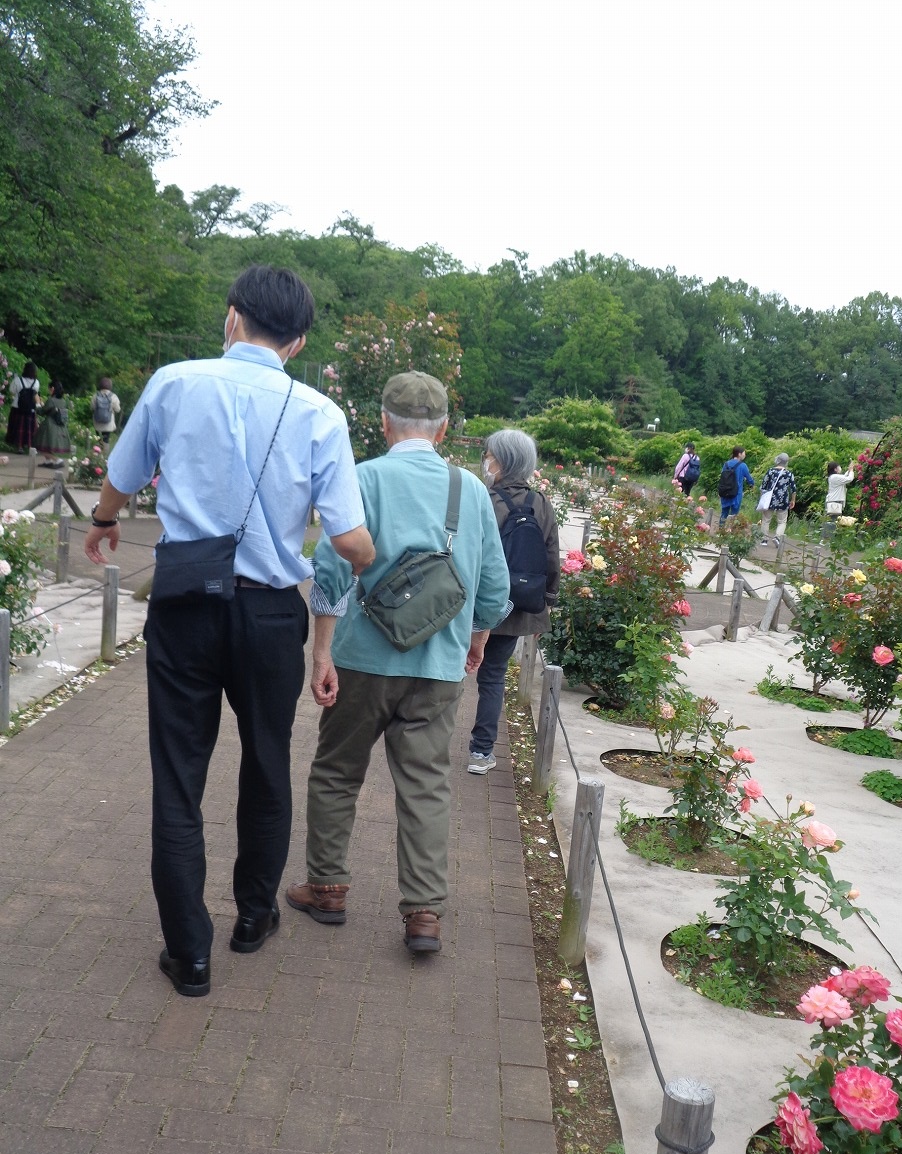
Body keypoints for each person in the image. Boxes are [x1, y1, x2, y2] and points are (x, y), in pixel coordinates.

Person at [83, 264, 375, 998]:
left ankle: (189, 954)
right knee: (267, 763)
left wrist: (104, 520)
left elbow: (123, 473)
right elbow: (348, 539)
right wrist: (371, 555)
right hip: (271, 612)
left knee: (179, 775)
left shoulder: (175, 382)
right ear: (298, 342)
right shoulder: (320, 413)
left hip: (185, 601)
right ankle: (253, 915)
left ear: (232, 316)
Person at [286, 371, 511, 956]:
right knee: (426, 786)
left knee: (337, 772)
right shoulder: (471, 491)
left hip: (361, 661)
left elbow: (332, 569)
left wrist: (321, 651)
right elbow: (493, 585)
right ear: (443, 429)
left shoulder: (362, 479)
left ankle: (328, 887)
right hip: (438, 665)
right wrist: (477, 639)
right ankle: (424, 914)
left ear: (384, 422)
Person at [467, 429, 560, 774]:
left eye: (489, 456)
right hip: (515, 605)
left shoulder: (482, 498)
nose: (486, 462)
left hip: (473, 602)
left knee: (448, 669)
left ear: (502, 461)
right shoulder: (541, 503)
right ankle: (481, 752)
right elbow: (551, 556)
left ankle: (426, 743)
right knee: (493, 676)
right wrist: (546, 602)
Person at [757, 452, 797, 548]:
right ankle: (777, 537)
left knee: (766, 520)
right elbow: (793, 489)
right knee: (782, 521)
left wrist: (761, 498)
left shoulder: (770, 471)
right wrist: (793, 500)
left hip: (769, 499)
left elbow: (763, 486)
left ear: (778, 460)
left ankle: (764, 540)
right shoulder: (789, 474)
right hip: (783, 499)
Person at [5, 361, 40, 452]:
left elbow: (12, 390)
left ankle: (19, 446)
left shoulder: (18, 380)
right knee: (28, 428)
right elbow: (35, 394)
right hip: (30, 409)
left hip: (17, 407)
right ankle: (28, 445)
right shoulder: (36, 382)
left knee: (17, 427)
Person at [36, 381, 71, 466]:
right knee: (47, 446)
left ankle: (58, 460)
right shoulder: (63, 401)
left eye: (49, 389)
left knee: (41, 445)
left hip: (50, 426)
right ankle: (47, 461)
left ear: (52, 388)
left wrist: (38, 404)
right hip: (60, 426)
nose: (49, 391)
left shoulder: (51, 400)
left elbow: (41, 412)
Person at [822, 460, 856, 541]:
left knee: (831, 521)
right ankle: (826, 540)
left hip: (833, 501)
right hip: (834, 502)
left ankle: (826, 540)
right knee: (832, 521)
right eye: (838, 467)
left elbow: (844, 477)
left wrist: (849, 470)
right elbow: (849, 479)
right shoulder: (835, 477)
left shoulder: (833, 477)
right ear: (835, 469)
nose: (840, 468)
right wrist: (851, 470)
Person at [718, 447, 754, 523]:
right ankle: (731, 529)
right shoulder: (743, 465)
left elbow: (722, 477)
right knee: (734, 515)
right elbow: (749, 479)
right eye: (744, 453)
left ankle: (721, 528)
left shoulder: (726, 464)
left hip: (725, 492)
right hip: (736, 494)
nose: (745, 455)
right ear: (739, 454)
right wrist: (752, 485)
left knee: (724, 513)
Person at [91, 377, 122, 446]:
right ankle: (105, 450)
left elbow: (92, 408)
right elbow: (118, 410)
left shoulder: (95, 396)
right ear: (110, 386)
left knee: (98, 439)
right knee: (106, 439)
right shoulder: (113, 396)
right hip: (108, 423)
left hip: (97, 422)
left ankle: (97, 449)